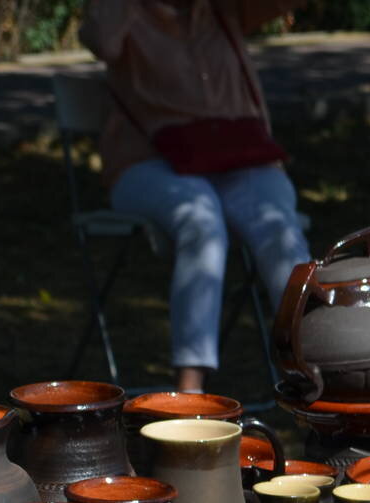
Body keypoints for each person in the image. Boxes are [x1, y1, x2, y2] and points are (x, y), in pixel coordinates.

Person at [80, 0, 310, 393]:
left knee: (279, 227)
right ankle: (190, 390)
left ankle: (316, 366)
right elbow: (100, 41)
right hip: (148, 162)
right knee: (201, 220)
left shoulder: (223, 10)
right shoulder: (125, 12)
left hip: (237, 158)